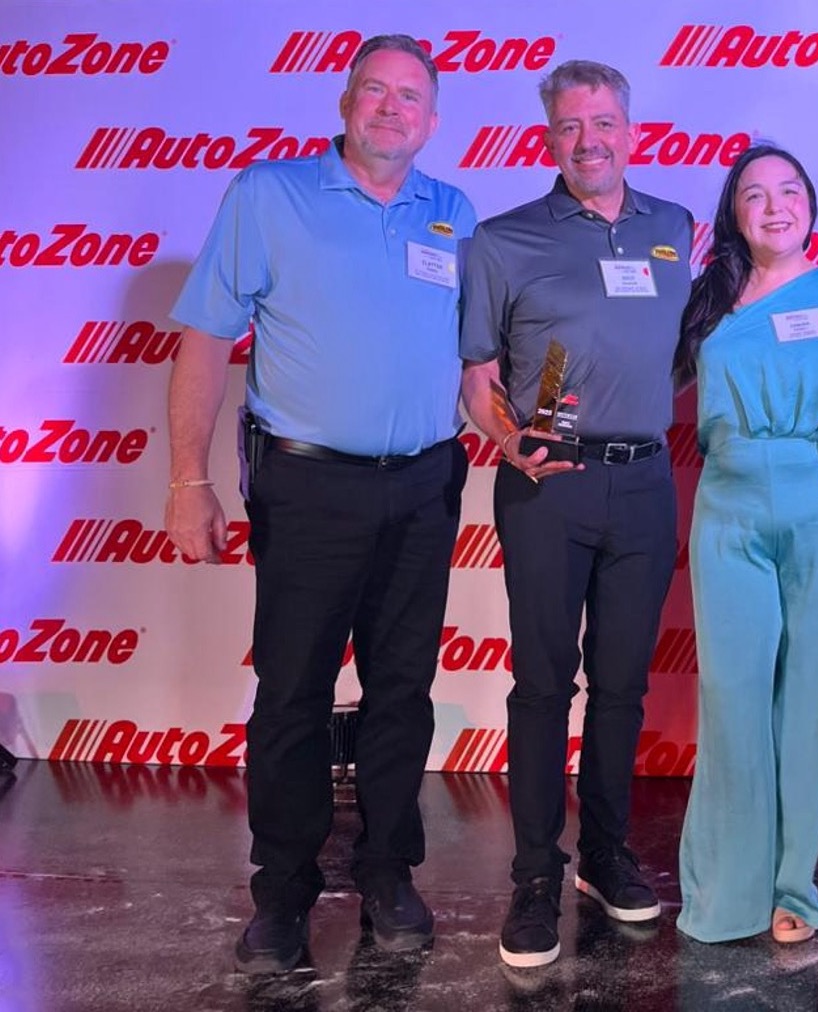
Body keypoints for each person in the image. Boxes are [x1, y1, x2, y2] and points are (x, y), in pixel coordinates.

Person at [164, 34, 475, 974]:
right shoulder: (271, 195)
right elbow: (204, 340)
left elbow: (473, 364)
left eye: (410, 96)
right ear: (345, 104)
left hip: (426, 481)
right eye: (374, 91)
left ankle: (387, 870)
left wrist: (516, 433)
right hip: (308, 484)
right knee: (292, 694)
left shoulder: (451, 212)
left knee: (402, 690)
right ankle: (283, 891)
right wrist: (190, 481)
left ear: (431, 117)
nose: (391, 108)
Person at [458, 59, 692, 968]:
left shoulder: (673, 229)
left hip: (643, 482)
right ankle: (531, 877)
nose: (587, 141)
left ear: (629, 129)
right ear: (546, 135)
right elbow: (480, 378)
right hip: (547, 479)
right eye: (568, 127)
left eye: (602, 123)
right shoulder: (502, 240)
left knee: (625, 686)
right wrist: (511, 441)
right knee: (543, 685)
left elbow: (681, 349)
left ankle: (604, 854)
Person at [672, 146, 818, 946]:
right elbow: (618, 365)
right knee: (732, 700)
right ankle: (729, 888)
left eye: (789, 190)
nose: (772, 206)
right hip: (727, 507)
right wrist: (550, 394)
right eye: (753, 194)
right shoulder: (706, 303)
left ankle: (794, 885)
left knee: (805, 703)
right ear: (732, 213)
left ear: (812, 207)